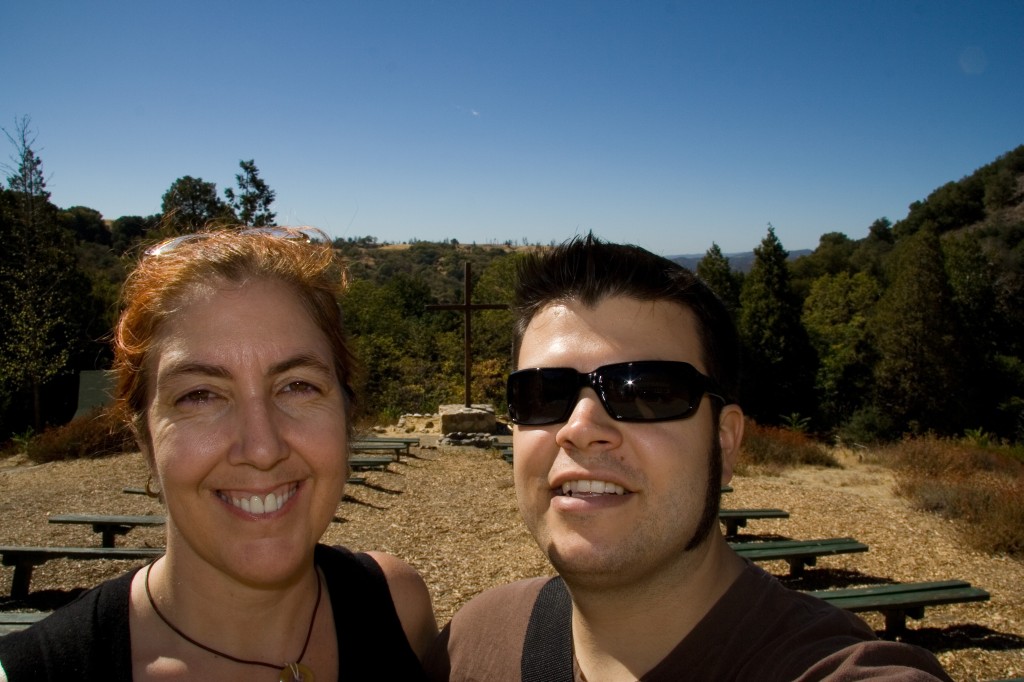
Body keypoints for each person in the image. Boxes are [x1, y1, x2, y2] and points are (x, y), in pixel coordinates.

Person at [425, 233, 952, 681]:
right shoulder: (473, 645)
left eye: (646, 392)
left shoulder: (827, 666)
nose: (580, 430)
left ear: (724, 443)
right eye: (544, 395)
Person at [0, 227, 437, 681]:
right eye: (200, 395)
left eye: (297, 386)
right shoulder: (35, 671)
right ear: (143, 435)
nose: (263, 448)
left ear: (346, 414)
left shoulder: (399, 608)